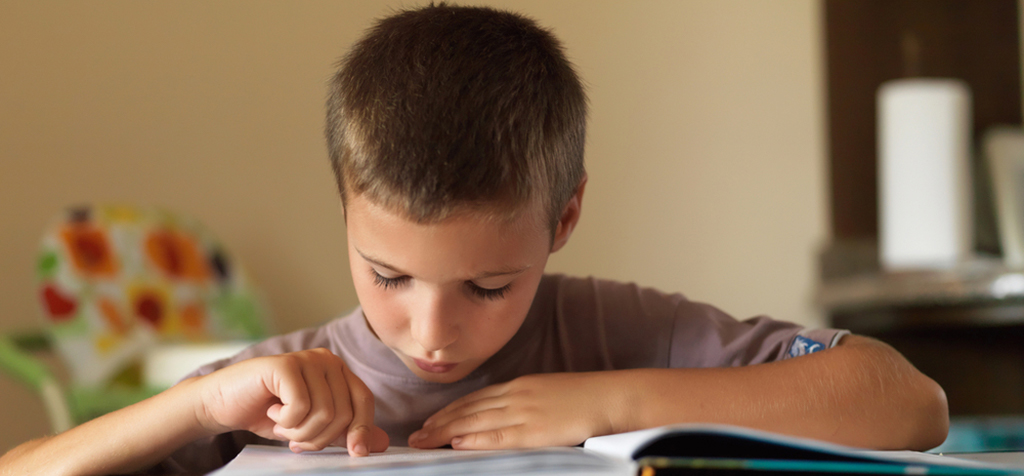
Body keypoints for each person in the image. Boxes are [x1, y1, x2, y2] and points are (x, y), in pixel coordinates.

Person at [0, 4, 948, 475]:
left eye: (489, 287)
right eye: (388, 275)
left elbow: (909, 404)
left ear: (564, 218)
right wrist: (203, 406)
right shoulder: (292, 384)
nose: (430, 333)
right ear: (345, 208)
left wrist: (606, 403)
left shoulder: (610, 332)